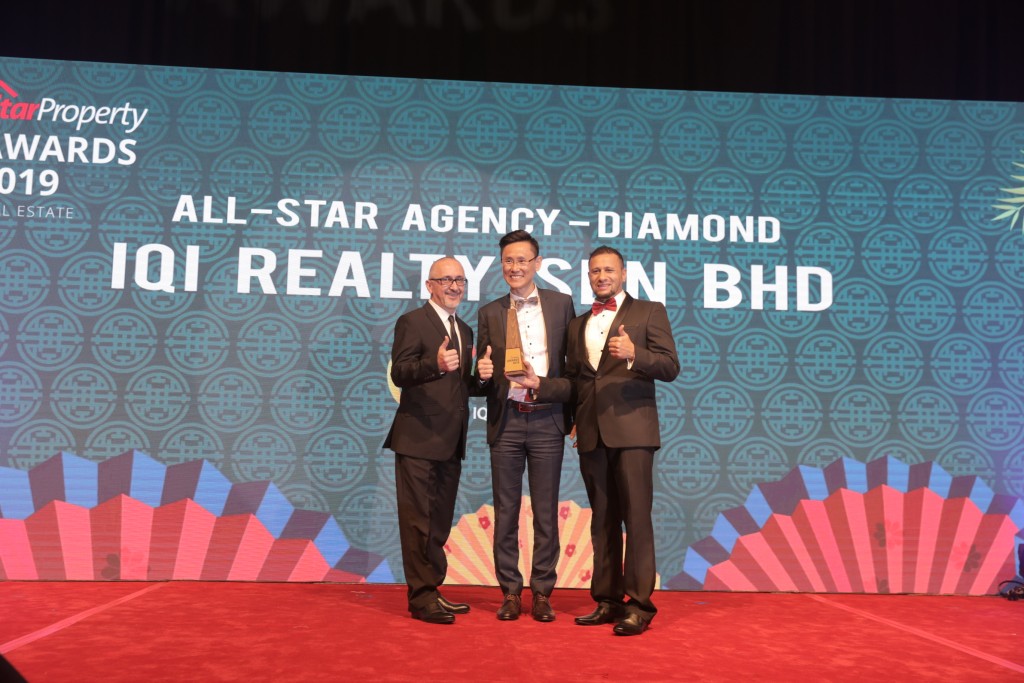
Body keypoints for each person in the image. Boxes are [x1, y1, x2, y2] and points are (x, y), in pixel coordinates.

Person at [516, 245, 679, 636]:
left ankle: (639, 605)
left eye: (608, 270)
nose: (601, 276)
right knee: (603, 521)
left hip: (634, 432)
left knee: (636, 519)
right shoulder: (577, 325)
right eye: (594, 272)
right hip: (591, 433)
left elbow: (670, 366)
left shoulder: (649, 311)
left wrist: (636, 354)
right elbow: (575, 381)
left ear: (623, 274)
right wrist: (544, 387)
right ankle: (607, 600)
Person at [475, 230, 576, 622]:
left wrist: (557, 398)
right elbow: (482, 374)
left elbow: (574, 371)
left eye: (522, 260)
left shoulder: (562, 305)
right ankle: (511, 592)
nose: (514, 267)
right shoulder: (489, 312)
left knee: (546, 512)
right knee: (506, 511)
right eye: (507, 261)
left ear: (537, 263)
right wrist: (482, 376)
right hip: (507, 422)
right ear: (501, 266)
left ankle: (543, 591)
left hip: (548, 419)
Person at [384, 256, 491, 624]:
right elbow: (400, 372)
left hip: (451, 440)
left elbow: (460, 387)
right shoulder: (412, 322)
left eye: (460, 279)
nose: (454, 286)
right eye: (445, 280)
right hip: (416, 438)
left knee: (439, 521)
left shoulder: (464, 329)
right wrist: (434, 364)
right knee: (417, 521)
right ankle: (420, 598)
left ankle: (433, 588)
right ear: (429, 285)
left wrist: (484, 380)